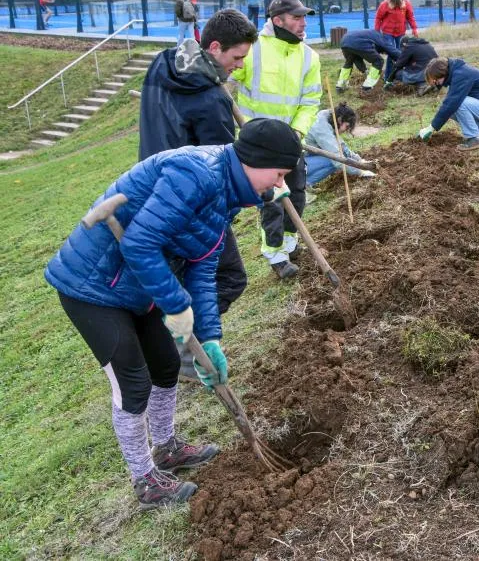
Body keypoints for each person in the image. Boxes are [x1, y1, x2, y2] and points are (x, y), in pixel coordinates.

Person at [44, 118, 301, 510]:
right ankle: (145, 480)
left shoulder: (227, 195)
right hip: (93, 286)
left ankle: (166, 448)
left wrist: (210, 338)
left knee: (165, 366)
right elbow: (141, 244)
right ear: (256, 160)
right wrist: (177, 305)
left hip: (139, 286)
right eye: (279, 173)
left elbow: (203, 267)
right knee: (133, 383)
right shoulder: (196, 174)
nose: (280, 184)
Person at [139, 8, 258, 329]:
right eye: (237, 57)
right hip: (192, 206)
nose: (240, 65)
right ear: (215, 47)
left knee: (178, 278)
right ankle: (183, 336)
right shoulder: (211, 101)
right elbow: (222, 174)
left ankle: (173, 335)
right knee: (230, 278)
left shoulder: (162, 64)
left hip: (151, 190)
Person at [230, 0, 322, 280]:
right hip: (258, 143)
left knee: (297, 193)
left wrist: (296, 133)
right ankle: (276, 255)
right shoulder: (254, 49)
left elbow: (310, 101)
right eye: (296, 18)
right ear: (277, 20)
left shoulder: (309, 56)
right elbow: (230, 76)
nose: (303, 23)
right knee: (272, 200)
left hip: (292, 141)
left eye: (304, 17)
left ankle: (291, 245)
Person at [417, 57, 479, 151]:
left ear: (441, 73)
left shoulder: (461, 75)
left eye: (436, 80)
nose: (436, 84)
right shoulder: (456, 72)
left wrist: (432, 127)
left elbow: (452, 102)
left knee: (458, 104)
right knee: (450, 109)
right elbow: (447, 105)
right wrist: (432, 126)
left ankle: (475, 138)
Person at [304, 103, 376, 186]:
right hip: (296, 163)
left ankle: (304, 183)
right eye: (347, 126)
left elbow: (341, 145)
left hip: (308, 157)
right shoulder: (321, 129)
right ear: (339, 120)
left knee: (340, 154)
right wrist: (360, 172)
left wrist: (359, 160)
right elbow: (337, 159)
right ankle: (302, 186)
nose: (346, 130)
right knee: (332, 159)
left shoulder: (329, 118)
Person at [335, 28, 401, 93]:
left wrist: (364, 70)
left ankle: (340, 85)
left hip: (345, 41)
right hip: (358, 43)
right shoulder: (382, 38)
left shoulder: (371, 34)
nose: (383, 53)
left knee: (349, 62)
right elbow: (392, 50)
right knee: (379, 61)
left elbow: (357, 59)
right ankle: (367, 87)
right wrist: (404, 58)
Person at [374, 0, 418, 79]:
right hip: (387, 32)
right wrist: (377, 31)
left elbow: (410, 17)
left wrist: (414, 28)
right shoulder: (385, 4)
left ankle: (398, 75)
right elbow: (378, 18)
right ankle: (388, 77)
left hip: (400, 32)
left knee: (400, 54)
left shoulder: (406, 4)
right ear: (391, 0)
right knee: (392, 53)